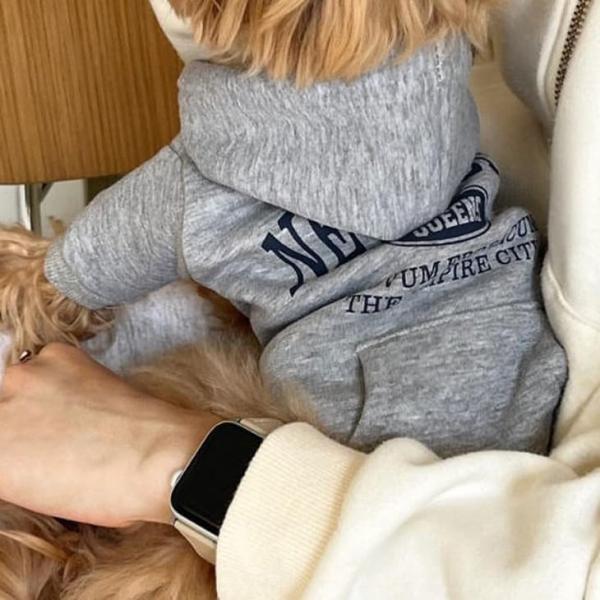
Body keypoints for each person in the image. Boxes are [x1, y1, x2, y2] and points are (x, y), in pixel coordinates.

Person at [1, 1, 599, 599]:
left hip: (340, 487)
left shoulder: (200, 189)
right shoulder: (445, 112)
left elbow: (49, 288)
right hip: (522, 400)